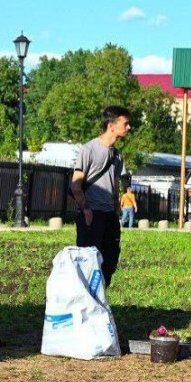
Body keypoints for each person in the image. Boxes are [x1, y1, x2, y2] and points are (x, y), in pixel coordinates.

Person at [69, 105, 130, 288]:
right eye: (125, 123)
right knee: (88, 263)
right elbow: (76, 183)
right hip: (92, 215)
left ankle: (100, 298)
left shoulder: (117, 156)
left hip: (109, 216)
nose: (129, 127)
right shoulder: (89, 150)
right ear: (112, 125)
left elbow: (115, 182)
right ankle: (85, 300)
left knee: (110, 261)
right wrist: (86, 209)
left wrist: (116, 209)